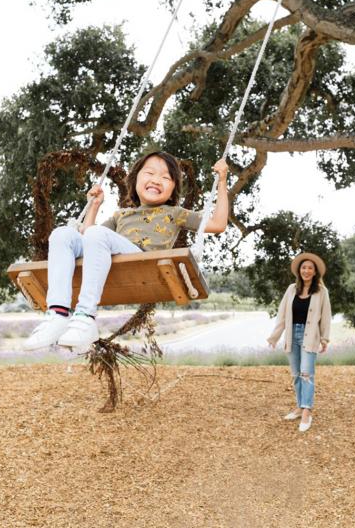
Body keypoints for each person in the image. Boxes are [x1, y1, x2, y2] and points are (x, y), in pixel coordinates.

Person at [24, 151, 228, 352]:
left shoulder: (175, 213)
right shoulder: (120, 215)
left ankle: (85, 316)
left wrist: (221, 182)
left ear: (173, 188)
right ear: (135, 179)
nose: (157, 180)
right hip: (113, 256)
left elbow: (218, 224)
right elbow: (87, 238)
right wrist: (94, 206)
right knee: (62, 234)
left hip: (141, 260)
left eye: (166, 177)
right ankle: (58, 314)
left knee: (96, 234)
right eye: (149, 173)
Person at [267, 252, 331, 432]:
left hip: (310, 336)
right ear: (299, 271)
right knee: (296, 374)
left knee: (307, 374)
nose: (307, 270)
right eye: (304, 267)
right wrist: (274, 337)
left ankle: (306, 412)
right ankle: (299, 406)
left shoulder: (321, 291)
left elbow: (326, 317)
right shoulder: (290, 289)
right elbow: (282, 315)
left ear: (315, 271)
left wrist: (324, 339)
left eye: (310, 268)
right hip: (291, 335)